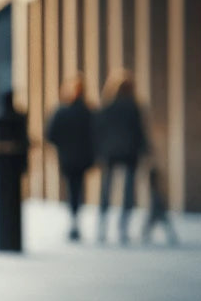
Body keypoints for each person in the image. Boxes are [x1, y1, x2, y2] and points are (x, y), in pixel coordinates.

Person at [95, 70, 149, 244]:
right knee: (128, 190)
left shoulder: (107, 107)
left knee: (107, 188)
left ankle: (102, 226)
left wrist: (99, 150)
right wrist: (145, 149)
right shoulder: (134, 107)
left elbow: (99, 131)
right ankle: (123, 227)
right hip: (129, 151)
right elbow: (140, 132)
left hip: (110, 151)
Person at [46, 73, 96, 241]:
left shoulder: (62, 111)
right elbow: (94, 134)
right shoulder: (87, 112)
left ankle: (73, 220)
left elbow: (51, 134)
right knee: (78, 187)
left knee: (71, 188)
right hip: (82, 157)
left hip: (67, 157)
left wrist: (63, 145)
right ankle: (75, 220)